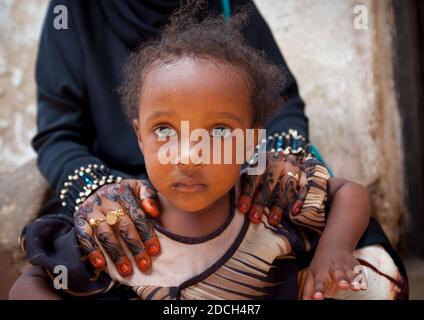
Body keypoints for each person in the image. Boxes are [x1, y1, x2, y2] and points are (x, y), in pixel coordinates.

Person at [10, 0, 407, 299]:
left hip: (231, 172)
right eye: (165, 128)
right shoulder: (74, 10)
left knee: (344, 244)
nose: (187, 152)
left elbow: (280, 104)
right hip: (118, 183)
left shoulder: (229, 3)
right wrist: (97, 192)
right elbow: (59, 135)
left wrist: (277, 158)